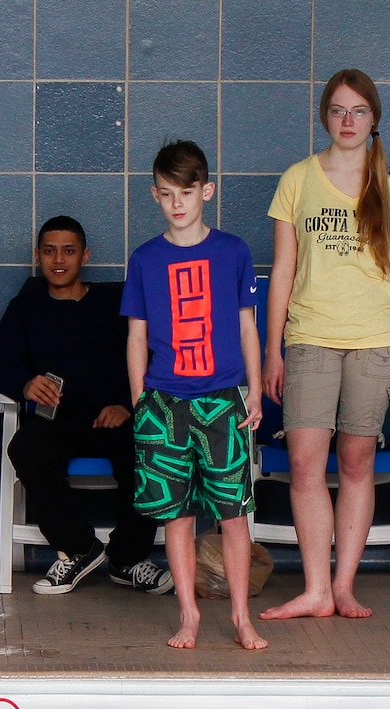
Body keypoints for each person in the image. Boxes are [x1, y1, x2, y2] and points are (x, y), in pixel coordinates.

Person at [260, 69, 390, 623]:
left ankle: (343, 585)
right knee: (306, 464)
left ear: (374, 118)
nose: (348, 121)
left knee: (356, 463)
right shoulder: (298, 179)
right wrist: (272, 350)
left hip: (377, 340)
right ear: (324, 116)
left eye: (358, 111)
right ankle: (315, 590)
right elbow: (282, 271)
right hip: (309, 336)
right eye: (337, 110)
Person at [123, 141, 266, 651]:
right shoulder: (145, 259)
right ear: (154, 196)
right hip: (164, 404)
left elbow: (249, 326)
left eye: (186, 192)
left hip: (223, 400)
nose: (177, 203)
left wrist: (253, 390)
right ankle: (188, 615)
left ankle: (242, 617)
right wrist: (141, 400)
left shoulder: (233, 251)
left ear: (207, 191)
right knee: (176, 516)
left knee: (233, 513)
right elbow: (136, 335)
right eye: (166, 194)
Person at [0, 216, 171, 595]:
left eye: (69, 251)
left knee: (151, 445)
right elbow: (2, 366)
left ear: (84, 256)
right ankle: (79, 548)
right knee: (25, 446)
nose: (59, 259)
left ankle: (128, 559)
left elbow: (152, 357)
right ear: (38, 256)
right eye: (50, 251)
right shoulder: (24, 309)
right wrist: (25, 383)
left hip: (114, 416)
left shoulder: (115, 304)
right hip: (59, 419)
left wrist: (128, 405)